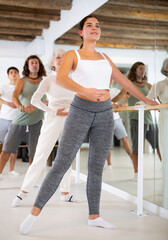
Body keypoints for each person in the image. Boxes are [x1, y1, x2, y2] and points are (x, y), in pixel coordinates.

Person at [19, 15, 158, 235]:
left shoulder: (104, 57)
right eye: (89, 26)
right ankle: (33, 213)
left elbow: (124, 82)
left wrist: (148, 99)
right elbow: (62, 78)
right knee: (61, 163)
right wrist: (85, 91)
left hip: (104, 113)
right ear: (81, 33)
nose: (94, 28)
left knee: (96, 168)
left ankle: (95, 216)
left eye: (97, 26)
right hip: (80, 110)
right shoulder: (74, 55)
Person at [11, 49, 78, 207]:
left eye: (64, 58)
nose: (61, 60)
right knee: (40, 156)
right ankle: (23, 192)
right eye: (58, 58)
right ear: (52, 62)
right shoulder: (49, 79)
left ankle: (65, 192)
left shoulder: (73, 81)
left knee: (67, 157)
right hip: (53, 119)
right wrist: (54, 111)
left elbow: (81, 100)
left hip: (70, 121)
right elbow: (35, 100)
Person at [112, 62, 162, 181]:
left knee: (158, 145)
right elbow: (119, 97)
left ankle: (165, 168)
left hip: (150, 120)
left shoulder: (149, 85)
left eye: (144, 69)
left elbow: (157, 99)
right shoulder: (129, 86)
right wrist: (109, 103)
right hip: (136, 120)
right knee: (136, 148)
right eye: (140, 68)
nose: (143, 71)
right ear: (135, 70)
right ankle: (136, 174)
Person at [0, 55, 46, 179]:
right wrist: (21, 107)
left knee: (34, 152)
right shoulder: (21, 80)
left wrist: (44, 106)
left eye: (36, 62)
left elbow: (46, 99)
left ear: (39, 65)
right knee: (7, 148)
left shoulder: (44, 81)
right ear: (27, 66)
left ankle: (32, 178)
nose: (34, 65)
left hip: (36, 121)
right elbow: (15, 96)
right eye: (32, 63)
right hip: (19, 120)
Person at [138, 58, 168, 157]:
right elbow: (148, 99)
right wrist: (139, 104)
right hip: (166, 117)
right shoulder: (160, 84)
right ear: (166, 68)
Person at [106, 88, 134, 172]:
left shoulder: (116, 90)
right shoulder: (102, 89)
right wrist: (111, 106)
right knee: (108, 143)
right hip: (106, 119)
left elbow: (125, 101)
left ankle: (133, 160)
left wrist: (122, 106)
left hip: (117, 119)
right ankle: (109, 164)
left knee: (125, 138)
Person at [0, 67, 20, 177]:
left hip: (16, 121)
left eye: (15, 72)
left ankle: (11, 169)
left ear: (18, 75)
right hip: (3, 119)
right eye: (11, 73)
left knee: (13, 147)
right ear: (8, 76)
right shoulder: (4, 87)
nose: (13, 74)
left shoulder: (21, 87)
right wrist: (7, 103)